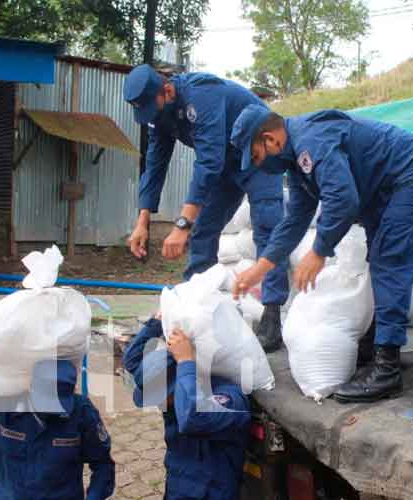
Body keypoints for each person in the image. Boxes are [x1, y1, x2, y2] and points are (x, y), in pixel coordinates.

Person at [229, 104, 413, 403]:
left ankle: (387, 370)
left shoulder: (311, 140)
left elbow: (343, 199)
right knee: (380, 258)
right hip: (384, 187)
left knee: (390, 261)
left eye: (256, 156)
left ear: (271, 139)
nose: (258, 165)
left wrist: (319, 251)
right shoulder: (296, 163)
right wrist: (259, 269)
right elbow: (295, 219)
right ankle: (376, 348)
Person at [123, 64, 289, 352]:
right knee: (204, 232)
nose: (153, 113)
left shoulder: (202, 94)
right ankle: (196, 305)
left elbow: (208, 161)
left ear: (168, 90)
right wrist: (142, 221)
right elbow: (155, 164)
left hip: (260, 156)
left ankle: (272, 317)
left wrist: (181, 225)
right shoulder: (159, 114)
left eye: (153, 106)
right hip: (226, 164)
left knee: (267, 227)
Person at [0, 334, 115, 499]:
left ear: (71, 391)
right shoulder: (3, 406)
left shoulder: (82, 412)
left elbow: (102, 464)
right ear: (29, 387)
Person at [123, 316, 251, 500]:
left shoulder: (229, 397)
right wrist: (156, 323)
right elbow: (132, 362)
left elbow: (193, 417)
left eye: (160, 397)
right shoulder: (174, 391)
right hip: (176, 487)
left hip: (211, 493)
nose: (159, 405)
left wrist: (185, 361)